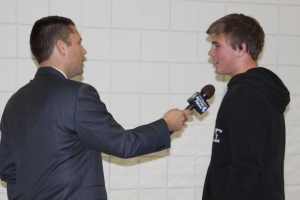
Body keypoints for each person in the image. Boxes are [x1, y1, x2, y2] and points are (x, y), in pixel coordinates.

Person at [0, 16, 193, 200]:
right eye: (78, 42)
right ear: (62, 46)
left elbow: (7, 171)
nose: (84, 50)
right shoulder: (77, 95)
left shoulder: (14, 103)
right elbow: (124, 145)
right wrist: (166, 125)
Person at [202, 14, 290, 200]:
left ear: (242, 48)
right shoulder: (255, 90)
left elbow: (246, 169)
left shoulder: (245, 96)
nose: (211, 52)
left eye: (217, 45)